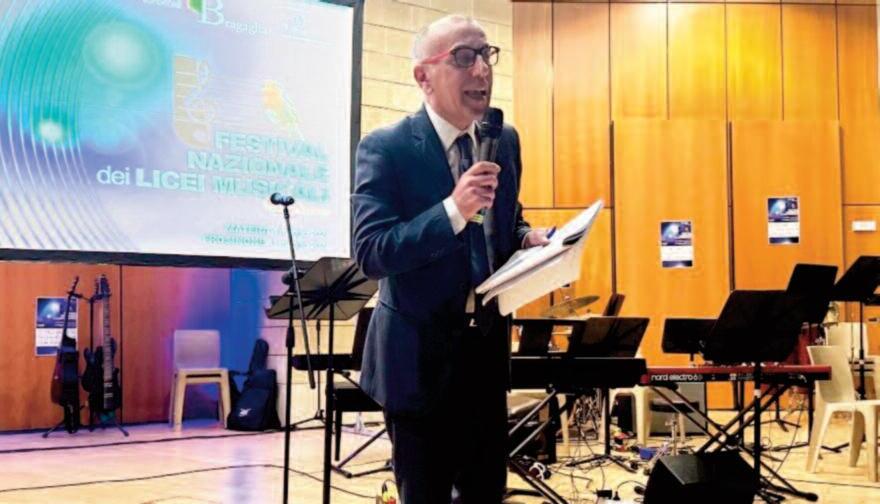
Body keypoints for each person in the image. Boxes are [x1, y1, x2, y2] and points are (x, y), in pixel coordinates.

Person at [352, 14, 549, 504]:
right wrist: (451, 211)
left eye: (486, 55)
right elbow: (372, 251)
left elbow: (506, 220)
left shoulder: (504, 140)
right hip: (417, 363)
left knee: (485, 494)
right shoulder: (387, 147)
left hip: (484, 358)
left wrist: (527, 238)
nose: (482, 69)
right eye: (464, 57)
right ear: (424, 76)